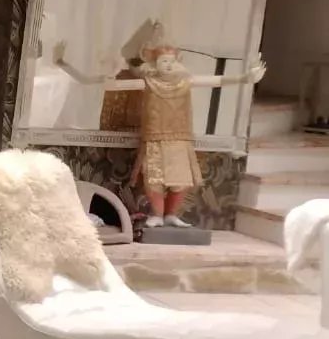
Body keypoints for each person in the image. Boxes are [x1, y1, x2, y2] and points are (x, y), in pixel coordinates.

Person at [57, 23, 264, 227]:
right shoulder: (148, 83)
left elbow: (216, 80)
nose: (168, 65)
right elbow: (102, 83)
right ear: (154, 63)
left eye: (171, 61)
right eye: (164, 60)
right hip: (155, 138)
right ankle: (157, 214)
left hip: (180, 138)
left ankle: (172, 214)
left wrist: (246, 78)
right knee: (153, 179)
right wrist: (64, 64)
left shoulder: (185, 81)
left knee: (182, 179)